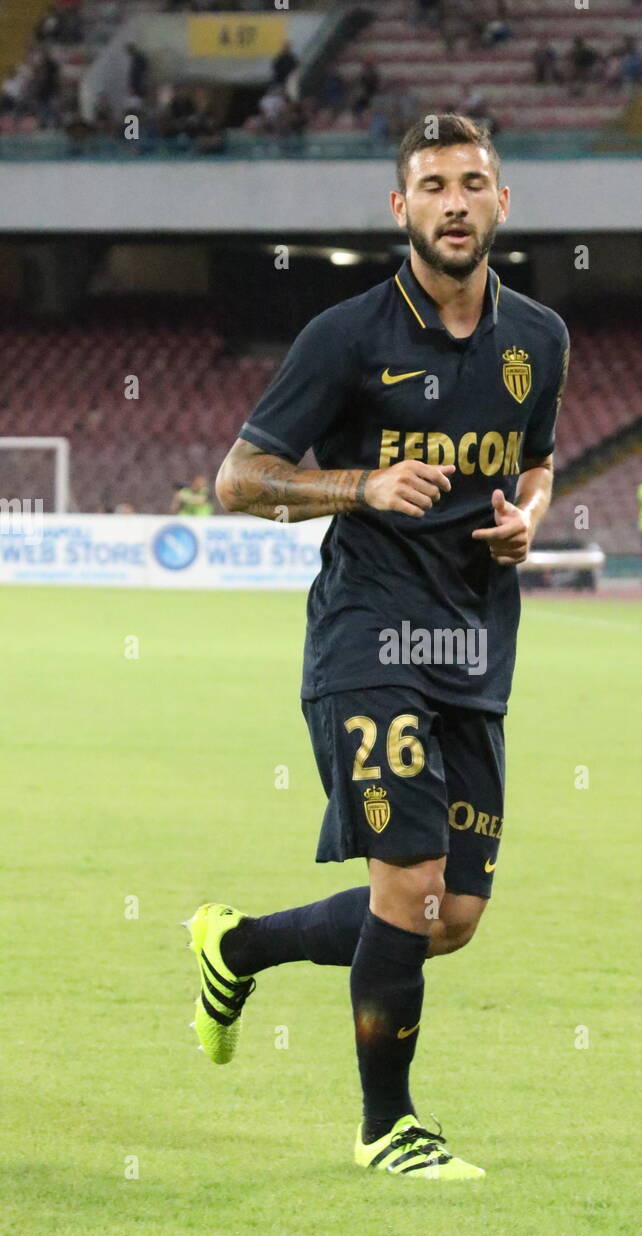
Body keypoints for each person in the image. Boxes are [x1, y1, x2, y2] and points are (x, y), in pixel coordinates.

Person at [192, 113, 570, 1180]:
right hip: (367, 640)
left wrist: (531, 511)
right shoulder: (347, 336)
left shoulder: (537, 336)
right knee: (406, 888)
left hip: (474, 646)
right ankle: (386, 1127)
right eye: (431, 185)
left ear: (503, 203)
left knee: (445, 918)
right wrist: (357, 484)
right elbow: (238, 481)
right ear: (397, 209)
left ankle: (237, 946)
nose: (454, 201)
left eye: (472, 182)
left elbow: (535, 460)